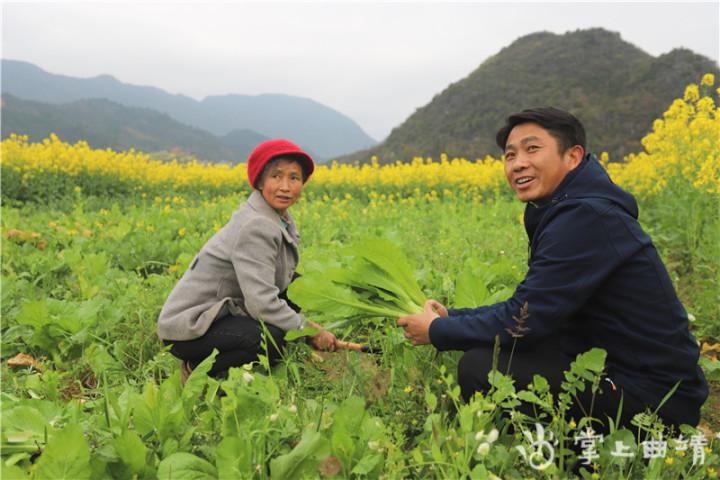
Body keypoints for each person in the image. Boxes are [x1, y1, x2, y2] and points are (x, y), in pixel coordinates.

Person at [397, 107, 707, 430]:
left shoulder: (587, 217)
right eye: (510, 155)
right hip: (617, 370)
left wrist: (436, 331)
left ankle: (532, 451)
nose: (518, 163)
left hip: (656, 402)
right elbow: (535, 307)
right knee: (492, 350)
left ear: (572, 157)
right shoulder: (568, 208)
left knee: (480, 367)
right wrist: (453, 318)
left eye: (532, 149)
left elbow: (524, 320)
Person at [158, 139, 338, 380]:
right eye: (276, 176)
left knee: (295, 289)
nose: (285, 186)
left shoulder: (275, 216)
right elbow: (261, 303)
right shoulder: (256, 225)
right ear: (260, 181)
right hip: (190, 328)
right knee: (269, 340)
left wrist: (298, 324)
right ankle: (197, 371)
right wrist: (308, 330)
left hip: (221, 310)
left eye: (294, 178)